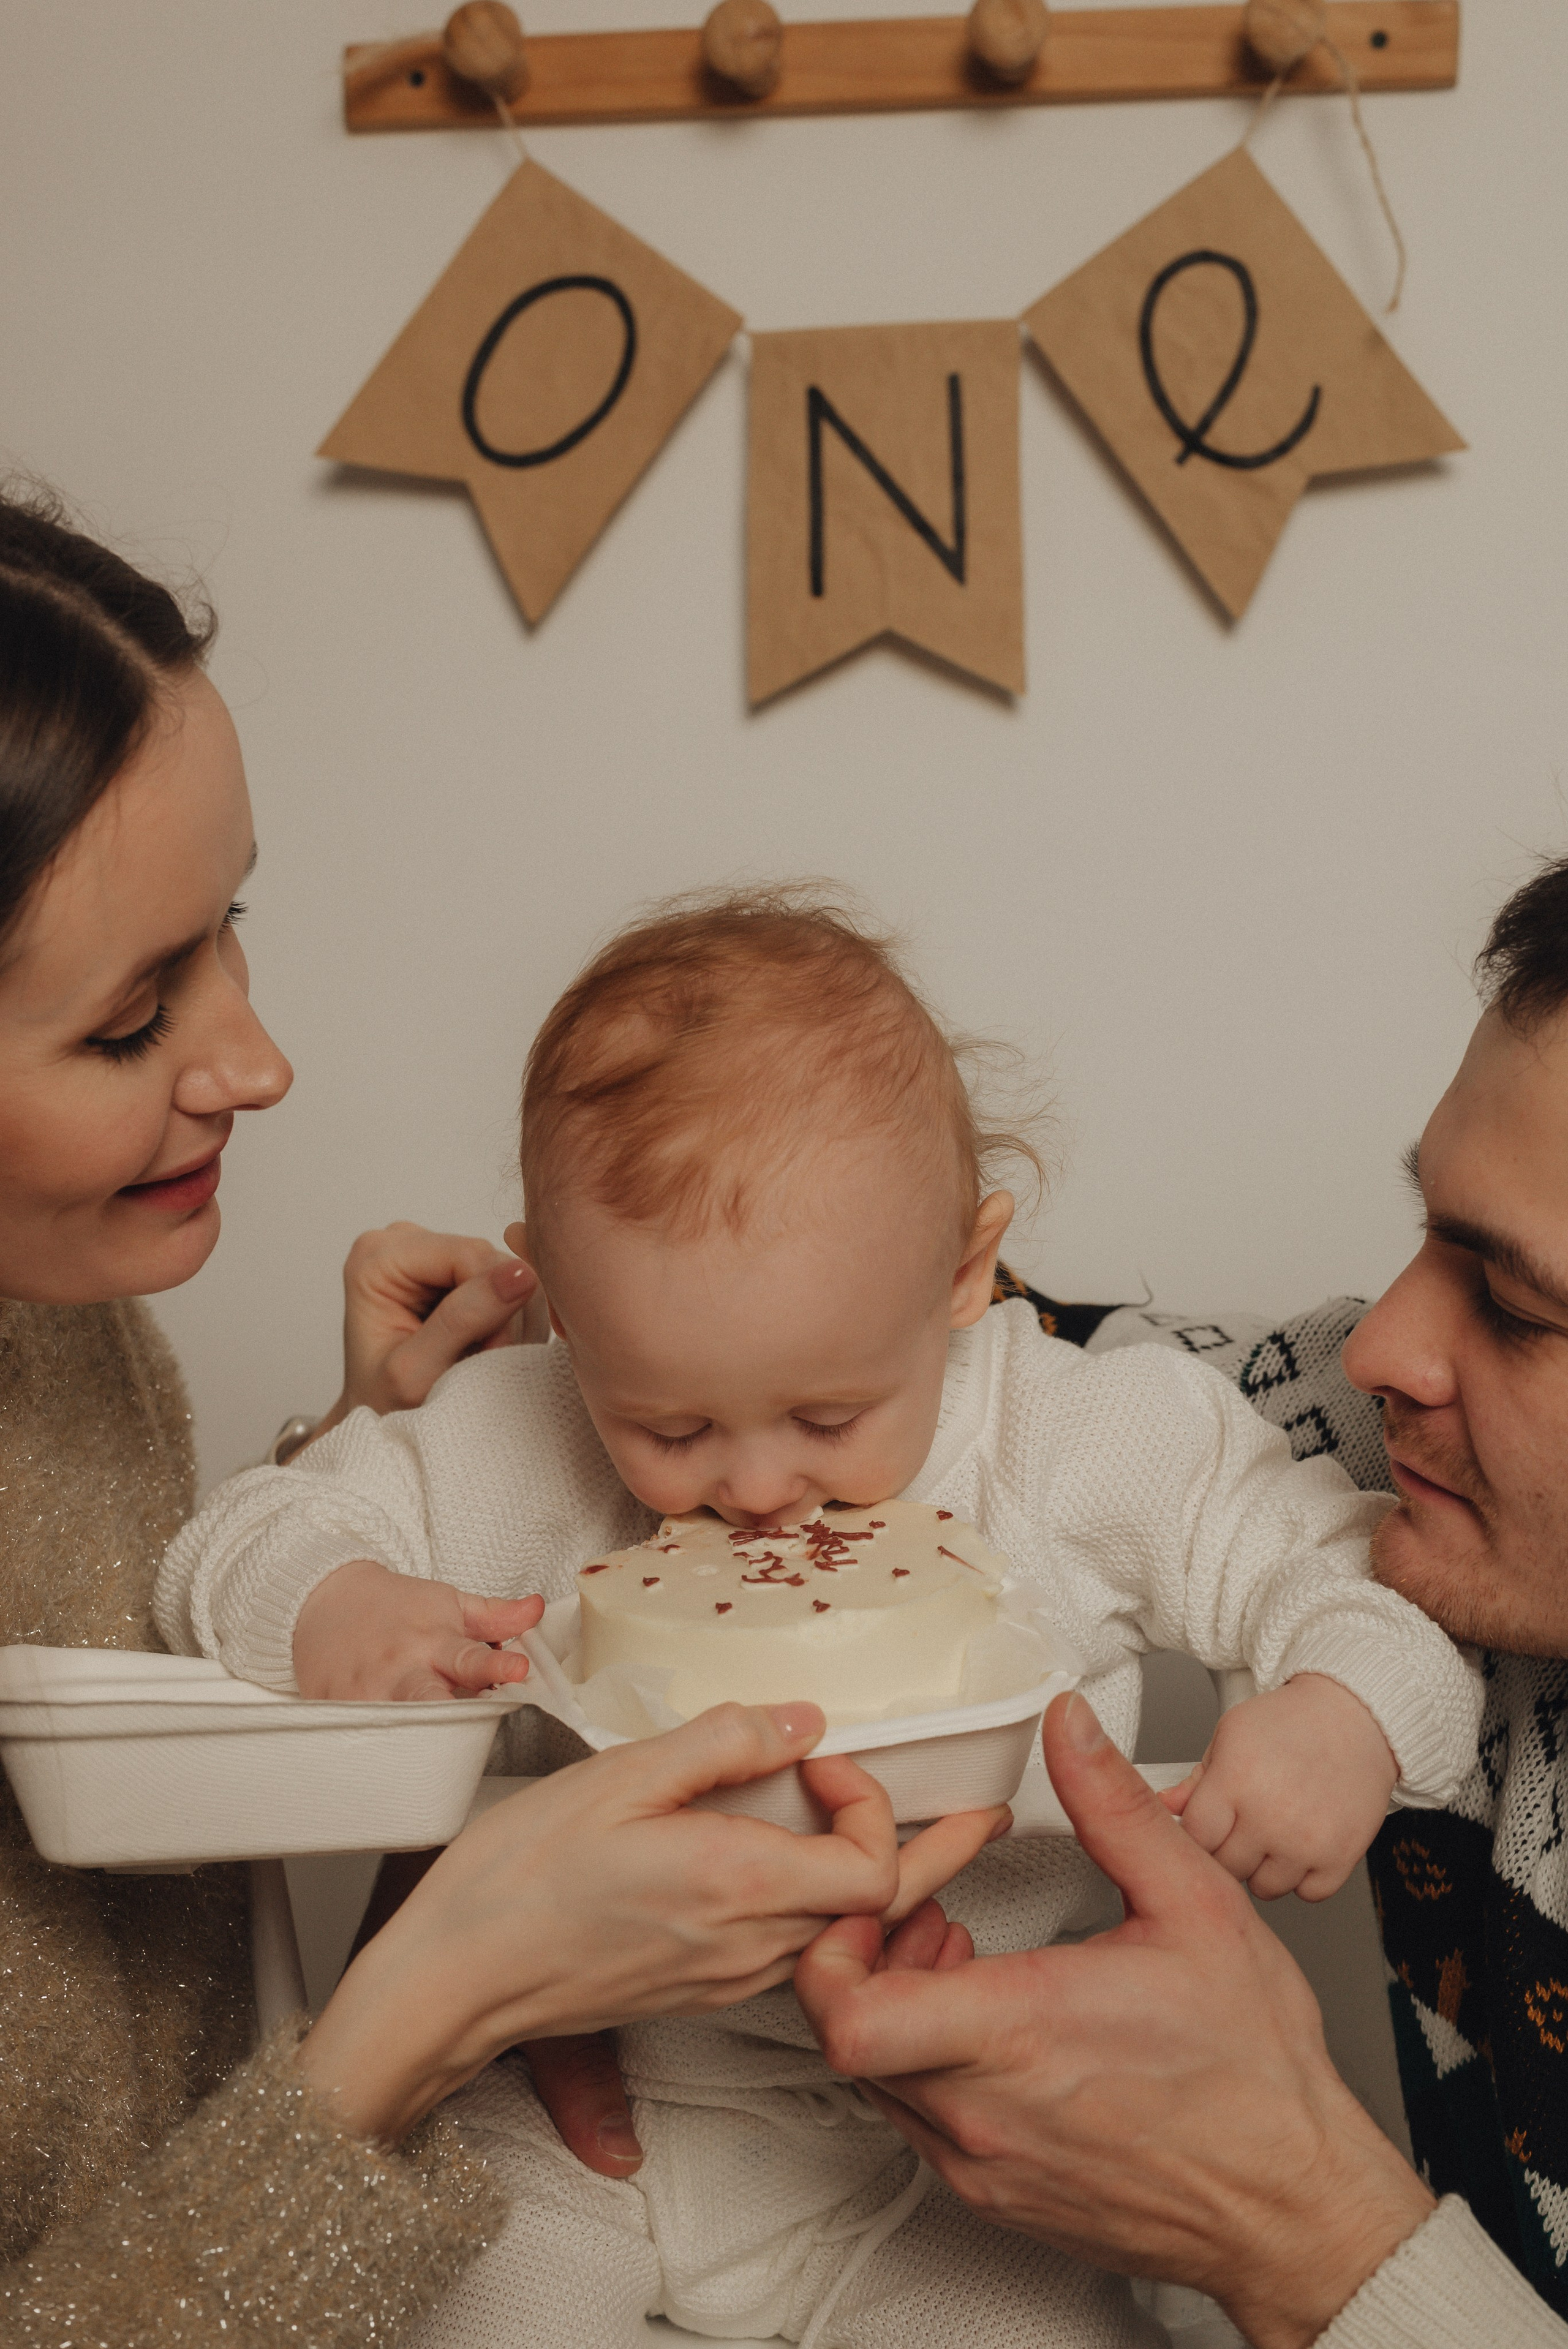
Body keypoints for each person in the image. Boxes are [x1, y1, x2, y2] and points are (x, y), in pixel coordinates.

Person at [160, 888, 1480, 2349]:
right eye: (667, 1426)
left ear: (963, 1269)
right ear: (569, 1306)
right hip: (571, 2113)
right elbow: (239, 1536)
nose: (754, 1487)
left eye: (828, 1415)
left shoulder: (1068, 1434)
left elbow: (1347, 1566)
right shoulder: (515, 1431)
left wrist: (1341, 1710)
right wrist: (333, 1598)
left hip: (945, 2149)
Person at [0, 488, 977, 2343]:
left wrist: (361, 1482)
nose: (260, 1062)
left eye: (230, 926)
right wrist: (449, 1994)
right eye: (131, 1021)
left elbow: (154, 1864)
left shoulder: (72, 1337)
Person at [792, 861, 1568, 2348]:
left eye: (1517, 1307)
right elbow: (1005, 1369)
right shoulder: (1362, 1440)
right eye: (1427, 1233)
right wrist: (454, 1418)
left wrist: (1293, 2217)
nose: (1377, 1349)